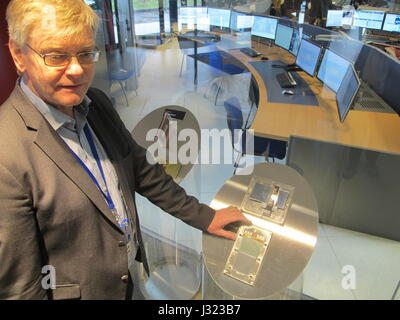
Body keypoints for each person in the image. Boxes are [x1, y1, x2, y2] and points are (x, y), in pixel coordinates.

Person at [0, 0, 250, 300]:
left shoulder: (96, 104)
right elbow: (21, 289)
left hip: (126, 278)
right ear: (18, 55)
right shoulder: (7, 152)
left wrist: (204, 216)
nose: (77, 70)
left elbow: (142, 171)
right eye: (56, 56)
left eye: (85, 53)